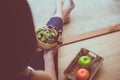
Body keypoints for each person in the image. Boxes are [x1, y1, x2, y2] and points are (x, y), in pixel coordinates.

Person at [0, 0, 74, 80]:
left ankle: (61, 14)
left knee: (50, 34)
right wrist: (48, 57)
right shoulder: (39, 77)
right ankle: (60, 10)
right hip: (35, 67)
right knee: (52, 36)